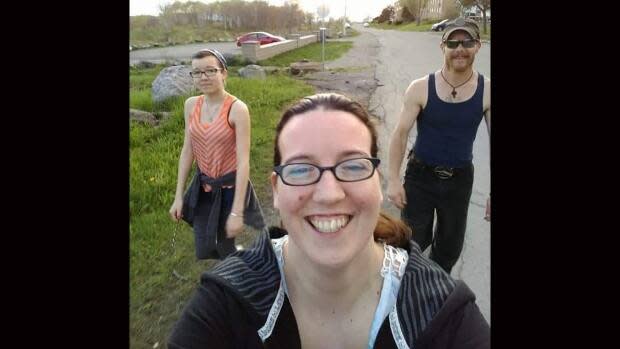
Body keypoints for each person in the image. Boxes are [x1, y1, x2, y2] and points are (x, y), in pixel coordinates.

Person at [168, 93, 490, 348]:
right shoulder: (225, 305)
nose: (328, 194)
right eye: (300, 169)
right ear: (276, 190)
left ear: (376, 182)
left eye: (352, 166)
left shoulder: (444, 314)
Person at [387, 17, 491, 274]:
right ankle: (404, 290)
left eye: (467, 41)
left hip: (459, 180)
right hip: (420, 177)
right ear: (442, 47)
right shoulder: (421, 88)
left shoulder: (487, 91)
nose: (460, 48)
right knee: (412, 243)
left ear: (478, 46)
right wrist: (393, 179)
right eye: (453, 42)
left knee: (449, 248)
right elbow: (400, 134)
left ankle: (432, 289)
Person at [169, 48, 264, 260]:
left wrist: (237, 212)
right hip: (203, 186)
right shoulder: (191, 105)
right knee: (206, 239)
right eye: (197, 72)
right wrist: (178, 197)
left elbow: (243, 161)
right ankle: (231, 263)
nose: (204, 77)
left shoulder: (237, 109)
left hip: (229, 189)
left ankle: (235, 273)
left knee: (223, 241)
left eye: (210, 70)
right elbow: (188, 150)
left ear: (224, 73)